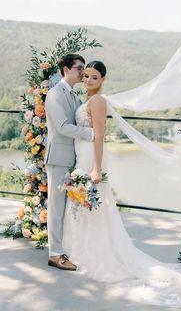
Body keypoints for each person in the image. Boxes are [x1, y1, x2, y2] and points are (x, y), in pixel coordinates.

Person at [62, 60, 181, 308]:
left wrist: (96, 167)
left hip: (90, 157)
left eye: (94, 77)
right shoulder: (87, 99)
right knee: (87, 204)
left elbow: (99, 137)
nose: (87, 81)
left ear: (103, 80)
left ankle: (95, 254)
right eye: (85, 76)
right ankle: (84, 251)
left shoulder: (97, 101)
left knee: (93, 204)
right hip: (82, 156)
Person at [45, 54, 94, 271]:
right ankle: (55, 254)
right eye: (79, 68)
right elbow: (63, 126)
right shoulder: (55, 94)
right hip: (58, 158)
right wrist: (91, 133)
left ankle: (65, 248)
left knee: (66, 207)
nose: (83, 72)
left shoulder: (75, 97)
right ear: (66, 69)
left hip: (71, 159)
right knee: (56, 207)